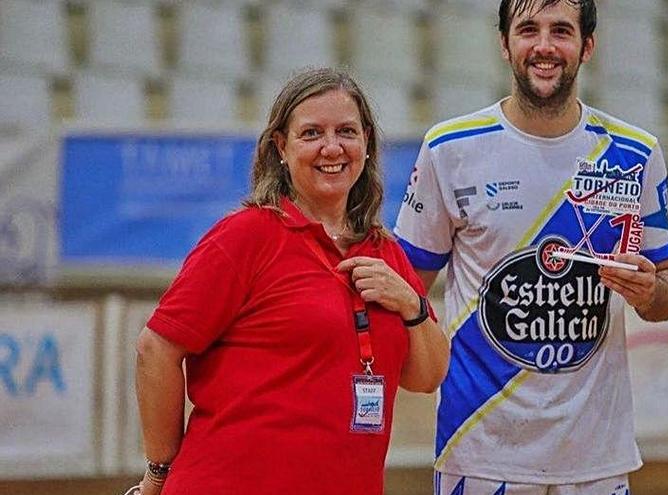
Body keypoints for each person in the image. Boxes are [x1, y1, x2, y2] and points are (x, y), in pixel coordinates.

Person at [394, 0, 668, 493]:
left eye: (561, 31)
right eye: (528, 29)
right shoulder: (450, 149)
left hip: (597, 458)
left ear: (587, 46)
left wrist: (647, 291)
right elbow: (406, 291)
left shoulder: (635, 153)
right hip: (480, 451)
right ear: (505, 44)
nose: (544, 46)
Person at [130, 67, 449, 495]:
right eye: (312, 133)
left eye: (346, 131)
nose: (331, 147)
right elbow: (156, 348)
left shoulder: (383, 251)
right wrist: (159, 470)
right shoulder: (246, 235)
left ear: (367, 143)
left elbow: (426, 376)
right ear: (281, 146)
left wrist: (411, 305)